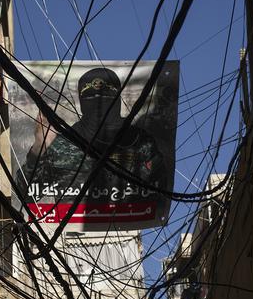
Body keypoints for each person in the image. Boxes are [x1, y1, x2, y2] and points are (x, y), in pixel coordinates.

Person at [19, 67, 166, 204]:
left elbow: (160, 192)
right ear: (83, 104)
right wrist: (39, 147)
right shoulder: (63, 143)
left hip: (126, 224)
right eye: (91, 98)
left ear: (118, 100)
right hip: (68, 228)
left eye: (106, 98)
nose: (99, 106)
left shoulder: (139, 140)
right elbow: (24, 194)